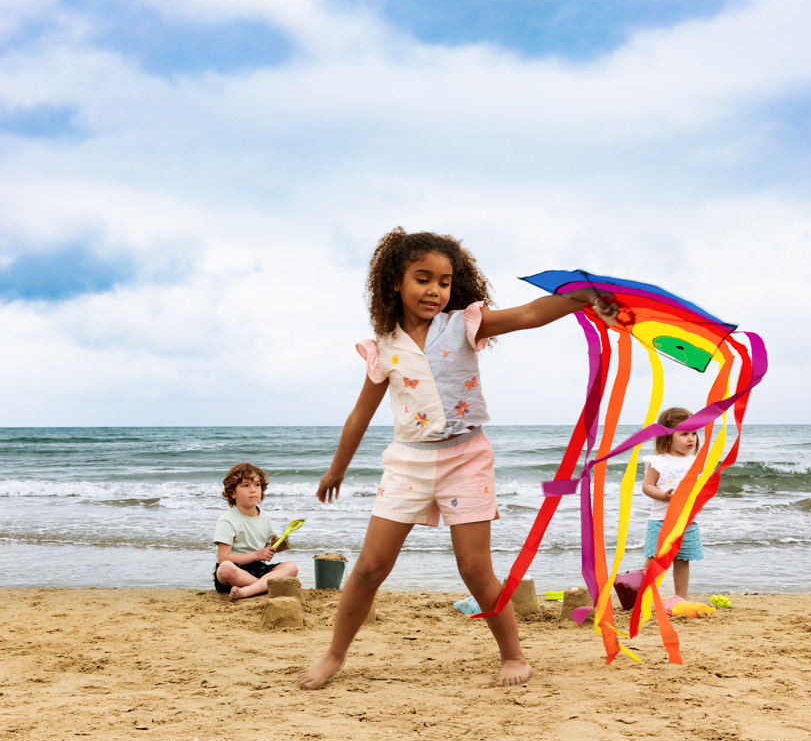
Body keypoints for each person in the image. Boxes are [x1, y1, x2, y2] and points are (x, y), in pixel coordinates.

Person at [298, 227, 616, 690]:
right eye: (422, 279)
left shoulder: (463, 324)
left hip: (466, 457)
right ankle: (334, 655)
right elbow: (359, 415)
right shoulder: (384, 347)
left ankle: (513, 655)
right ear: (395, 282)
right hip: (408, 462)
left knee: (474, 568)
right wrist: (337, 468)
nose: (434, 290)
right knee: (369, 567)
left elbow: (529, 313)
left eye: (444, 282)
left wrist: (582, 297)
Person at [641, 407, 704, 598]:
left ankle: (680, 598)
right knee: (653, 560)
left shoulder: (696, 461)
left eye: (693, 433)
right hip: (661, 520)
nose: (691, 438)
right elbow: (647, 486)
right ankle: (642, 596)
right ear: (667, 436)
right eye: (684, 434)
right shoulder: (659, 461)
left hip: (687, 522)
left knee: (682, 560)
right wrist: (663, 496)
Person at [213, 462, 298, 601]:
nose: (253, 489)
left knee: (291, 567)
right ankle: (262, 587)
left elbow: (265, 549)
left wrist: (275, 547)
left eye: (257, 485)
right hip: (235, 571)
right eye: (246, 485)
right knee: (225, 568)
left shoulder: (265, 517)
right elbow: (223, 558)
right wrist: (257, 555)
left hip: (258, 569)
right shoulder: (227, 520)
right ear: (233, 492)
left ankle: (247, 591)